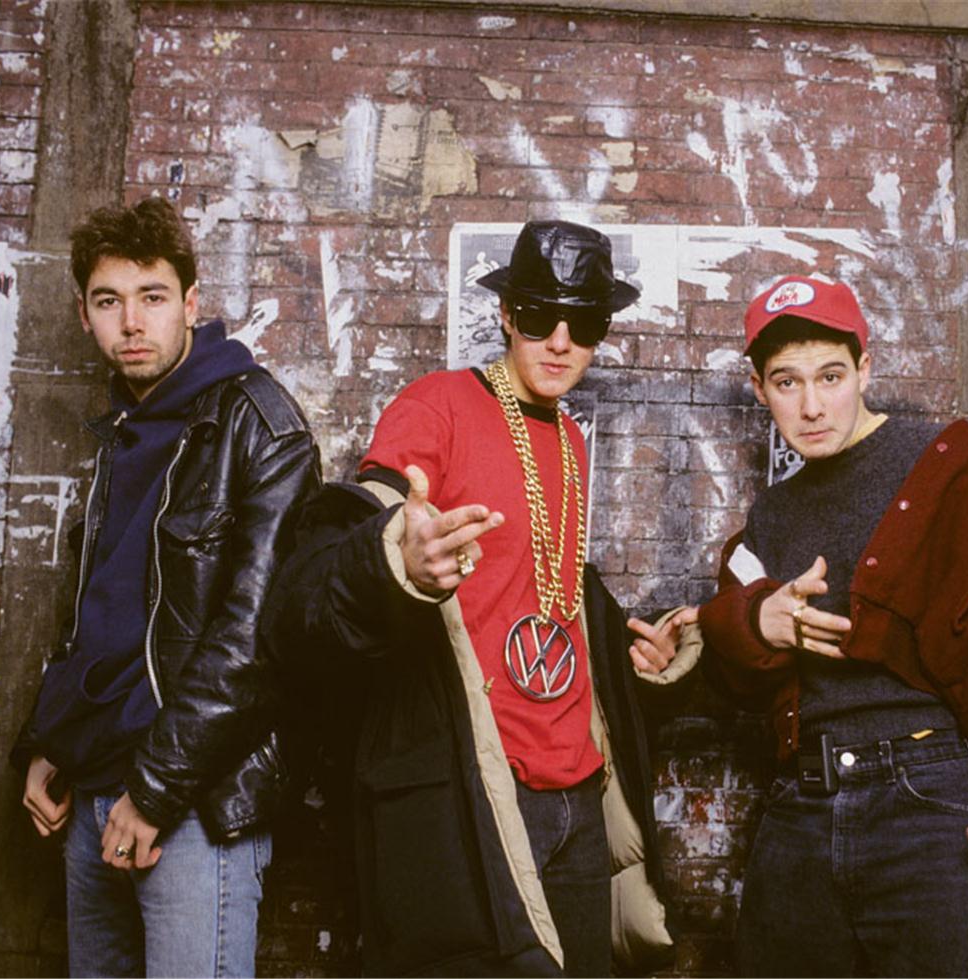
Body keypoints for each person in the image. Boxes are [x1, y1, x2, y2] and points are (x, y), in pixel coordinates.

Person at [264, 220, 699, 977]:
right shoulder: (437, 406)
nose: (560, 340)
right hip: (478, 793)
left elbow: (542, 584)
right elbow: (340, 550)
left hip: (579, 795)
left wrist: (633, 651)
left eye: (585, 321)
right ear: (505, 314)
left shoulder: (567, 437)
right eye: (538, 315)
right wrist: (396, 551)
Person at [698, 274, 968, 977]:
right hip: (803, 801)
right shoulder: (771, 515)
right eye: (787, 382)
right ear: (757, 387)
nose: (810, 405)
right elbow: (727, 666)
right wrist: (756, 621)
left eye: (831, 376)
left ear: (865, 367)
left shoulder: (945, 468)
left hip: (934, 798)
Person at [9, 197, 321, 977]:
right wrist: (51, 743)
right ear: (85, 315)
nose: (132, 323)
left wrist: (152, 793)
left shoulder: (261, 425)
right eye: (109, 302)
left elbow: (254, 643)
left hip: (190, 805)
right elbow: (96, 612)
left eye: (152, 297)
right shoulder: (123, 432)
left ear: (190, 303)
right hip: (92, 793)